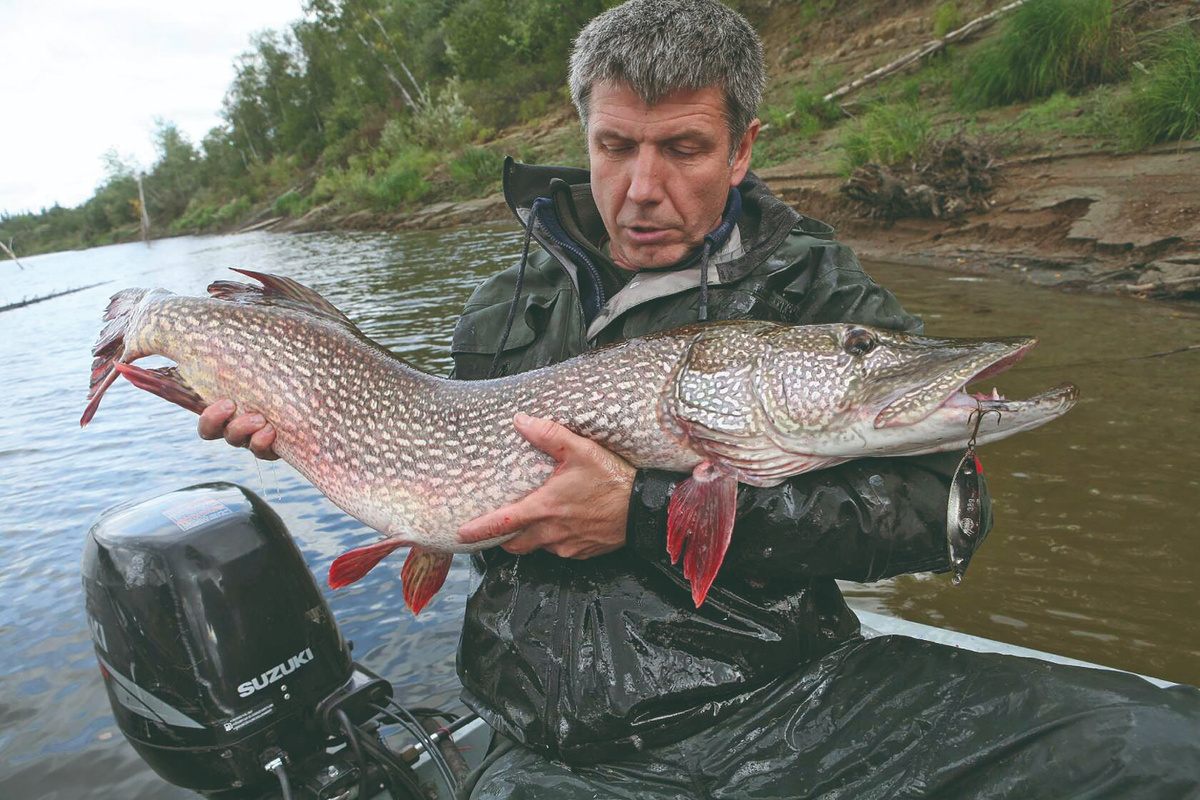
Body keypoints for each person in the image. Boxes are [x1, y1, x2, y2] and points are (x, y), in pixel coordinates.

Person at [201, 2, 1200, 797]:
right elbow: (446, 486)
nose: (641, 186)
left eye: (681, 148)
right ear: (586, 135)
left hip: (785, 706)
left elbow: (931, 509)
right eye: (614, 146)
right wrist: (305, 422)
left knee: (1159, 747)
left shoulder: (815, 293)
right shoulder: (504, 308)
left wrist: (636, 513)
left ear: (742, 148)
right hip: (552, 742)